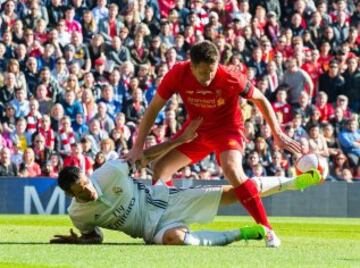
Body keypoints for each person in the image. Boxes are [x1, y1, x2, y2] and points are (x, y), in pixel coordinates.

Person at [125, 41, 303, 247]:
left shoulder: (230, 76)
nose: (208, 77)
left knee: (232, 170)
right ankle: (171, 221)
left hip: (227, 130)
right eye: (203, 73)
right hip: (196, 131)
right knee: (161, 169)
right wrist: (137, 146)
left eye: (212, 71)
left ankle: (268, 230)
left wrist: (277, 132)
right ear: (191, 66)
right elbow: (154, 107)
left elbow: (260, 99)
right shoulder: (177, 73)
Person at [50, 119, 321, 246]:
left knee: (233, 192)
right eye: (81, 191)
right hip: (150, 231)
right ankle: (244, 234)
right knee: (176, 240)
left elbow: (143, 156)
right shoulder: (77, 214)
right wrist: (79, 241)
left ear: (88, 175)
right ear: (70, 195)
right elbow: (94, 235)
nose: (88, 190)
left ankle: (294, 182)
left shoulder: (109, 172)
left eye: (86, 183)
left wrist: (179, 140)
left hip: (165, 200)